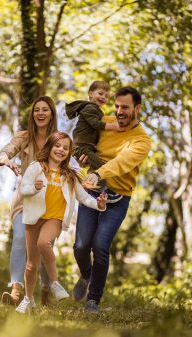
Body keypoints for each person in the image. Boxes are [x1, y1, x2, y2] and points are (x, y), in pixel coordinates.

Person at [72, 86, 151, 313]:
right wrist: (83, 157)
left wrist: (98, 173)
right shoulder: (104, 122)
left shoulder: (142, 140)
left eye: (124, 107)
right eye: (116, 106)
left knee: (100, 246)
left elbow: (122, 162)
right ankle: (86, 276)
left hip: (118, 197)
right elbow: (84, 143)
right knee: (80, 246)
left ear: (137, 108)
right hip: (92, 190)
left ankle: (93, 300)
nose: (119, 111)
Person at [15, 132, 108, 314]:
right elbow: (23, 188)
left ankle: (55, 283)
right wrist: (34, 188)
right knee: (31, 265)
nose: (61, 150)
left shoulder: (70, 175)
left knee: (44, 243)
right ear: (50, 146)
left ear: (69, 152)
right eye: (58, 146)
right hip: (34, 218)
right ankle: (28, 299)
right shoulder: (36, 167)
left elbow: (84, 197)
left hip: (55, 219)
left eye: (66, 148)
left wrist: (98, 204)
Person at [0, 96, 58, 306]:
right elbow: (6, 150)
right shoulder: (23, 137)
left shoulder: (58, 140)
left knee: (44, 245)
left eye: (45, 110)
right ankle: (15, 291)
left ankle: (47, 288)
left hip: (50, 200)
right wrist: (5, 159)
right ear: (33, 115)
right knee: (21, 239)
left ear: (51, 115)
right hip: (26, 197)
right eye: (36, 110)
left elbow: (72, 164)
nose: (40, 113)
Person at [65, 80, 121, 189]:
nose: (103, 97)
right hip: (81, 148)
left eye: (106, 96)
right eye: (100, 94)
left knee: (97, 167)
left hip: (85, 147)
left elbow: (93, 131)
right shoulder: (90, 108)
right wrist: (114, 126)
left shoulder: (95, 110)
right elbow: (95, 124)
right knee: (102, 168)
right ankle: (99, 190)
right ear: (90, 94)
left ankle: (91, 187)